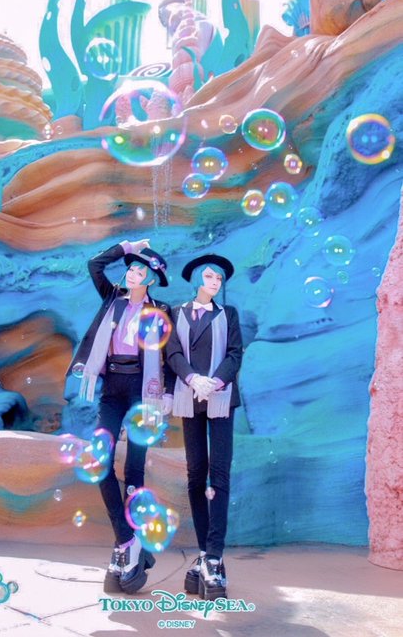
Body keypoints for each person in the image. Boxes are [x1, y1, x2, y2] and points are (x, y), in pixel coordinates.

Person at [67, 239, 174, 594]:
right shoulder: (112, 298)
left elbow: (171, 355)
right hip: (113, 385)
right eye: (130, 268)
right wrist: (126, 247)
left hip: (144, 389)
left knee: (134, 471)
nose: (132, 273)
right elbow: (94, 265)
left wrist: (168, 393)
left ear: (151, 279)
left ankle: (124, 551)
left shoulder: (162, 310)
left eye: (140, 270)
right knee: (101, 463)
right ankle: (129, 540)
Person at [166, 254, 243, 600]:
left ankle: (215, 556)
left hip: (220, 397)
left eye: (219, 279)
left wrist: (215, 381)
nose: (214, 283)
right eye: (209, 277)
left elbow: (235, 354)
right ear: (197, 278)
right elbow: (172, 353)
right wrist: (193, 379)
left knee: (219, 475)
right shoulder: (177, 313)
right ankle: (202, 552)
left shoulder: (229, 314)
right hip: (190, 396)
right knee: (196, 474)